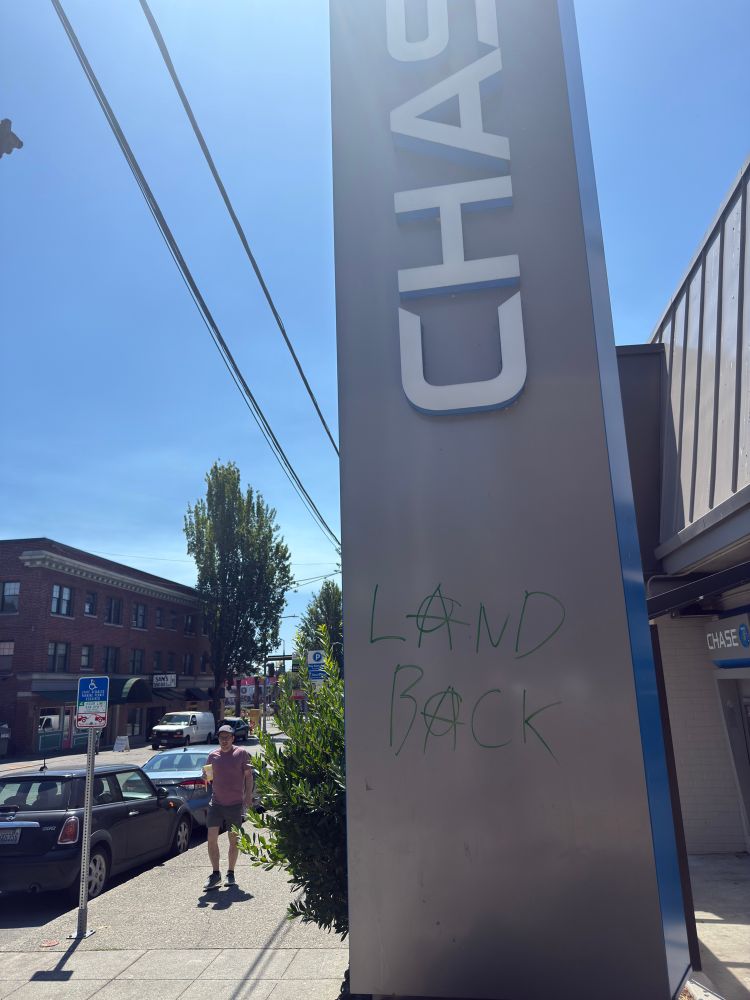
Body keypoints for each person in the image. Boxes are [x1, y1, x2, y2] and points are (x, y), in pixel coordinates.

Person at [203, 723, 254, 890]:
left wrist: (248, 797)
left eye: (227, 737)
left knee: (233, 840)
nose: (223, 740)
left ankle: (230, 872)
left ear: (233, 738)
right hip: (216, 803)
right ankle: (215, 873)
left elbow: (248, 777)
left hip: (235, 804)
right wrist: (204, 776)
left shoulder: (241, 754)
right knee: (211, 839)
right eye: (221, 737)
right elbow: (208, 780)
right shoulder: (212, 756)